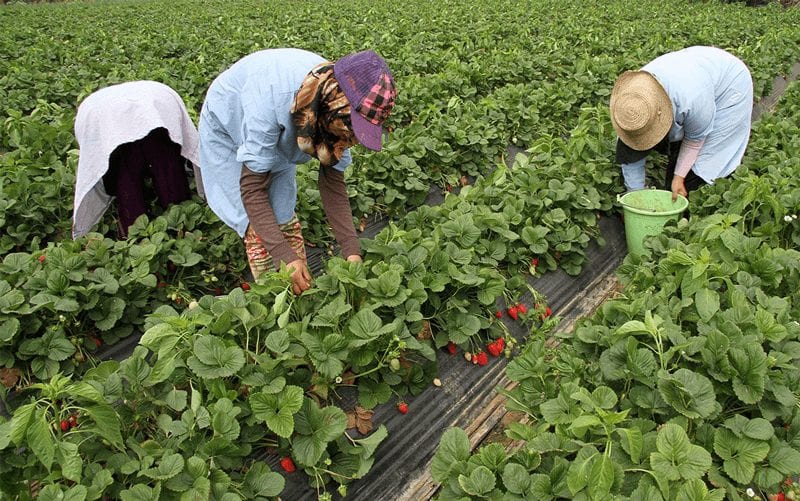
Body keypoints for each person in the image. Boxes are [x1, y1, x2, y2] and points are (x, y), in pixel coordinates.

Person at [198, 48, 396, 294]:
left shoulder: (335, 116)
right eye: (354, 128)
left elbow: (333, 185)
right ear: (339, 106)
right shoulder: (271, 101)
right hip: (228, 125)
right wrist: (283, 255)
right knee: (256, 228)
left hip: (284, 124)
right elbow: (251, 188)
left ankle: (300, 289)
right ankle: (274, 296)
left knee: (283, 216)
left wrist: (351, 251)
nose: (353, 138)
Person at [610, 46, 753, 201]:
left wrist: (679, 178)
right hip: (694, 68)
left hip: (729, 85)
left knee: (703, 166)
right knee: (671, 169)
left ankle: (698, 200)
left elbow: (694, 140)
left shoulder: (692, 99)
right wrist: (635, 197)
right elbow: (631, 155)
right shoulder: (632, 104)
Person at [72, 81, 204, 239]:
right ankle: (177, 224)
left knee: (128, 184)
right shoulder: (156, 92)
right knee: (166, 174)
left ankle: (136, 235)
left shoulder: (93, 106)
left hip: (147, 120)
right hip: (154, 118)